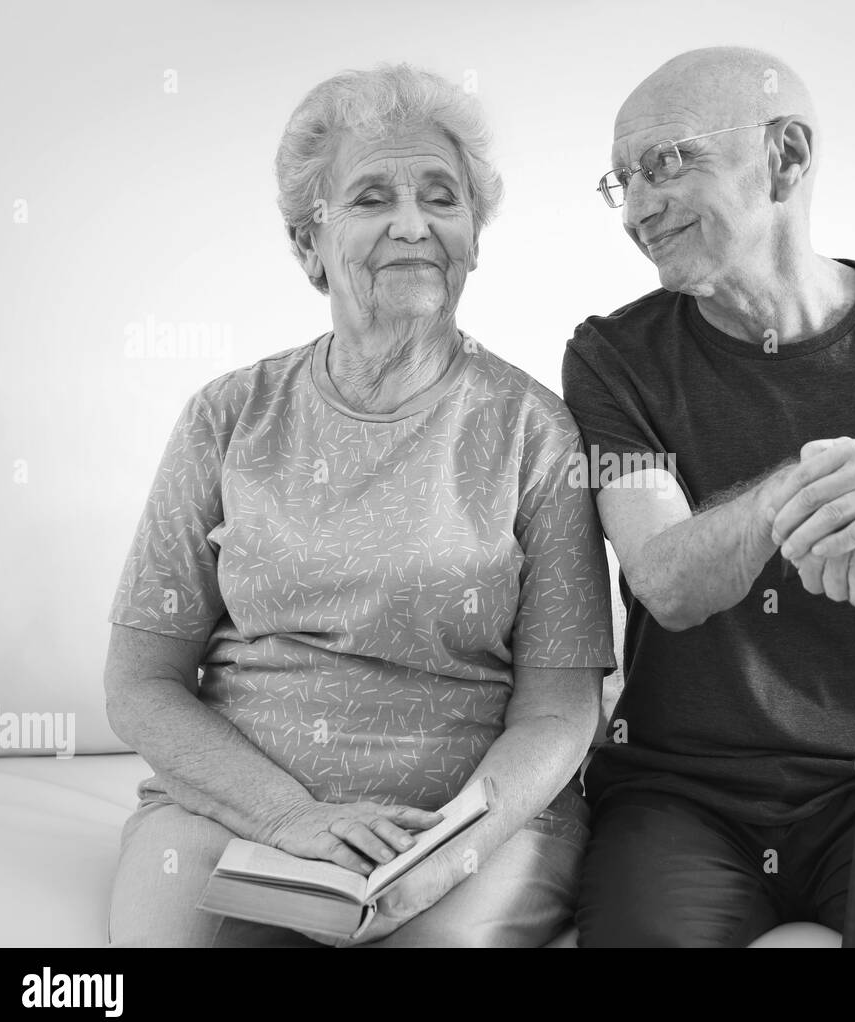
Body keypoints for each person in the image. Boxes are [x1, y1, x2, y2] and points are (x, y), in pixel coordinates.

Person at [104, 61, 615, 948]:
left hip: (464, 824)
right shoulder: (227, 415)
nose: (413, 224)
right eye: (373, 197)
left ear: (473, 236)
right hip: (238, 807)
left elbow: (560, 709)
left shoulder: (537, 430)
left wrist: (459, 845)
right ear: (310, 242)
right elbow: (140, 682)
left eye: (441, 198)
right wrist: (286, 815)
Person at [563, 46, 855, 947]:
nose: (637, 209)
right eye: (620, 181)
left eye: (668, 163)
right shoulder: (612, 357)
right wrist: (813, 481)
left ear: (786, 156)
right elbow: (666, 580)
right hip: (679, 790)